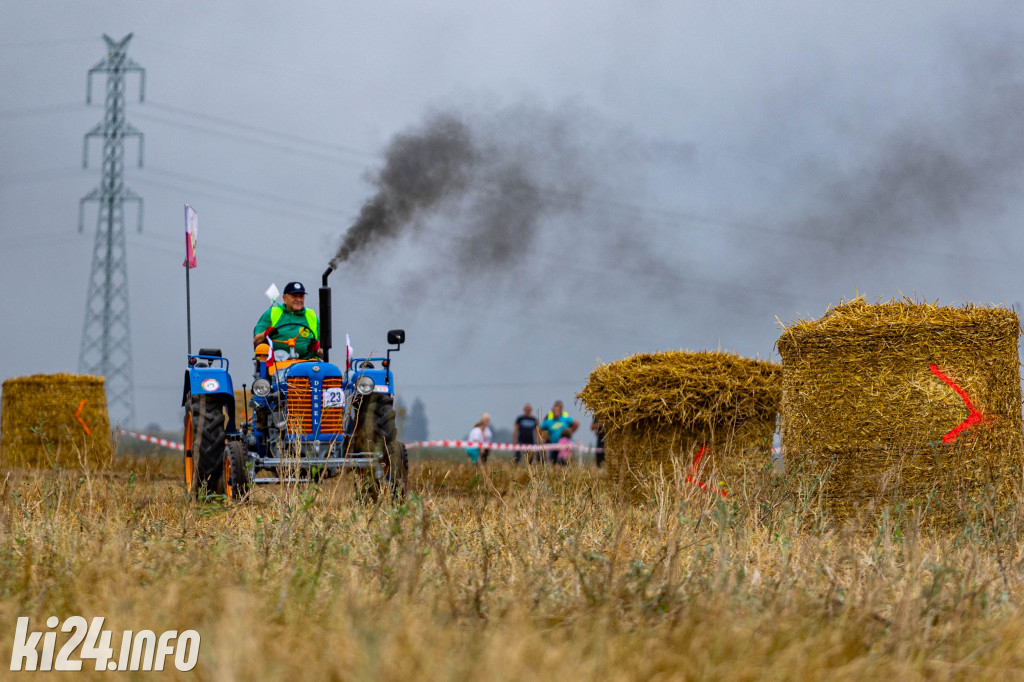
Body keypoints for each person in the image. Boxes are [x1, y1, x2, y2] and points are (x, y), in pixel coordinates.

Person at [253, 281, 322, 361]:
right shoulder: (272, 313)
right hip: (276, 365)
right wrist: (265, 334)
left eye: (301, 296)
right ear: (284, 298)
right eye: (294, 296)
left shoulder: (312, 316)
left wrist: (316, 350)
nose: (298, 300)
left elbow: (324, 352)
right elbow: (256, 342)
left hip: (306, 364)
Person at [540, 400, 578, 465]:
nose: (556, 412)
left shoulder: (565, 419)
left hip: (564, 447)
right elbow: (539, 428)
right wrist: (543, 437)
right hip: (553, 445)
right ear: (552, 412)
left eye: (558, 411)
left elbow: (576, 423)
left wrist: (570, 432)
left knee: (565, 463)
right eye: (555, 411)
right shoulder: (549, 421)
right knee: (553, 462)